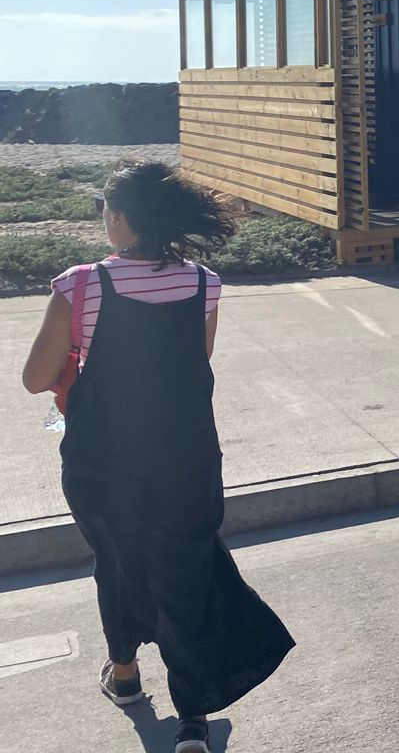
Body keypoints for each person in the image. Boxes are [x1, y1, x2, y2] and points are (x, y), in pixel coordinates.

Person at [21, 163, 295, 753]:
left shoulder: (80, 284)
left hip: (104, 455)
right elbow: (195, 364)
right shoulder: (204, 283)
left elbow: (34, 377)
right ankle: (192, 718)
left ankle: (124, 677)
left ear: (119, 219)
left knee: (118, 559)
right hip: (186, 452)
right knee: (185, 570)